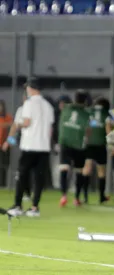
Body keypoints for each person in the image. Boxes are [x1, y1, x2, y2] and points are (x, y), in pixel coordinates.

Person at [8, 77, 55, 217]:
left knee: (22, 175)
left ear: (31, 88)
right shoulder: (48, 106)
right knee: (39, 178)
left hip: (30, 145)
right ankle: (35, 208)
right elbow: (50, 129)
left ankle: (17, 205)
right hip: (44, 147)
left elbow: (27, 122)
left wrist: (18, 124)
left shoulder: (28, 104)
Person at [58, 90, 91, 207]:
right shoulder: (87, 114)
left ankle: (63, 196)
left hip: (65, 143)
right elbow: (88, 130)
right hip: (79, 145)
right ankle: (76, 198)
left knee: (64, 169)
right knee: (78, 172)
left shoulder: (65, 109)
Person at [83, 97, 112, 204]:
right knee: (101, 171)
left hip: (89, 144)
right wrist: (111, 144)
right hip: (100, 144)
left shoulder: (89, 112)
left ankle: (85, 197)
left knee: (86, 169)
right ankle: (101, 197)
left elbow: (86, 128)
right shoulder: (106, 114)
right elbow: (108, 130)